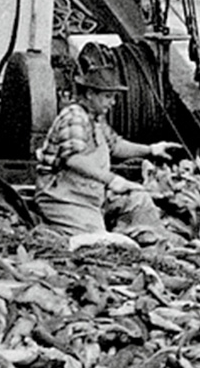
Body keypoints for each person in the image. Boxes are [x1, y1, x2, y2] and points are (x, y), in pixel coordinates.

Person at [33, 56, 175, 240]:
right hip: (63, 198)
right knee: (97, 241)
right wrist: (113, 180)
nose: (113, 102)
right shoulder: (74, 117)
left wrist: (150, 150)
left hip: (91, 194)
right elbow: (73, 159)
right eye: (108, 96)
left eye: (114, 97)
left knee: (140, 200)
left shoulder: (96, 119)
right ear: (90, 94)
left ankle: (155, 244)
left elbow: (115, 145)